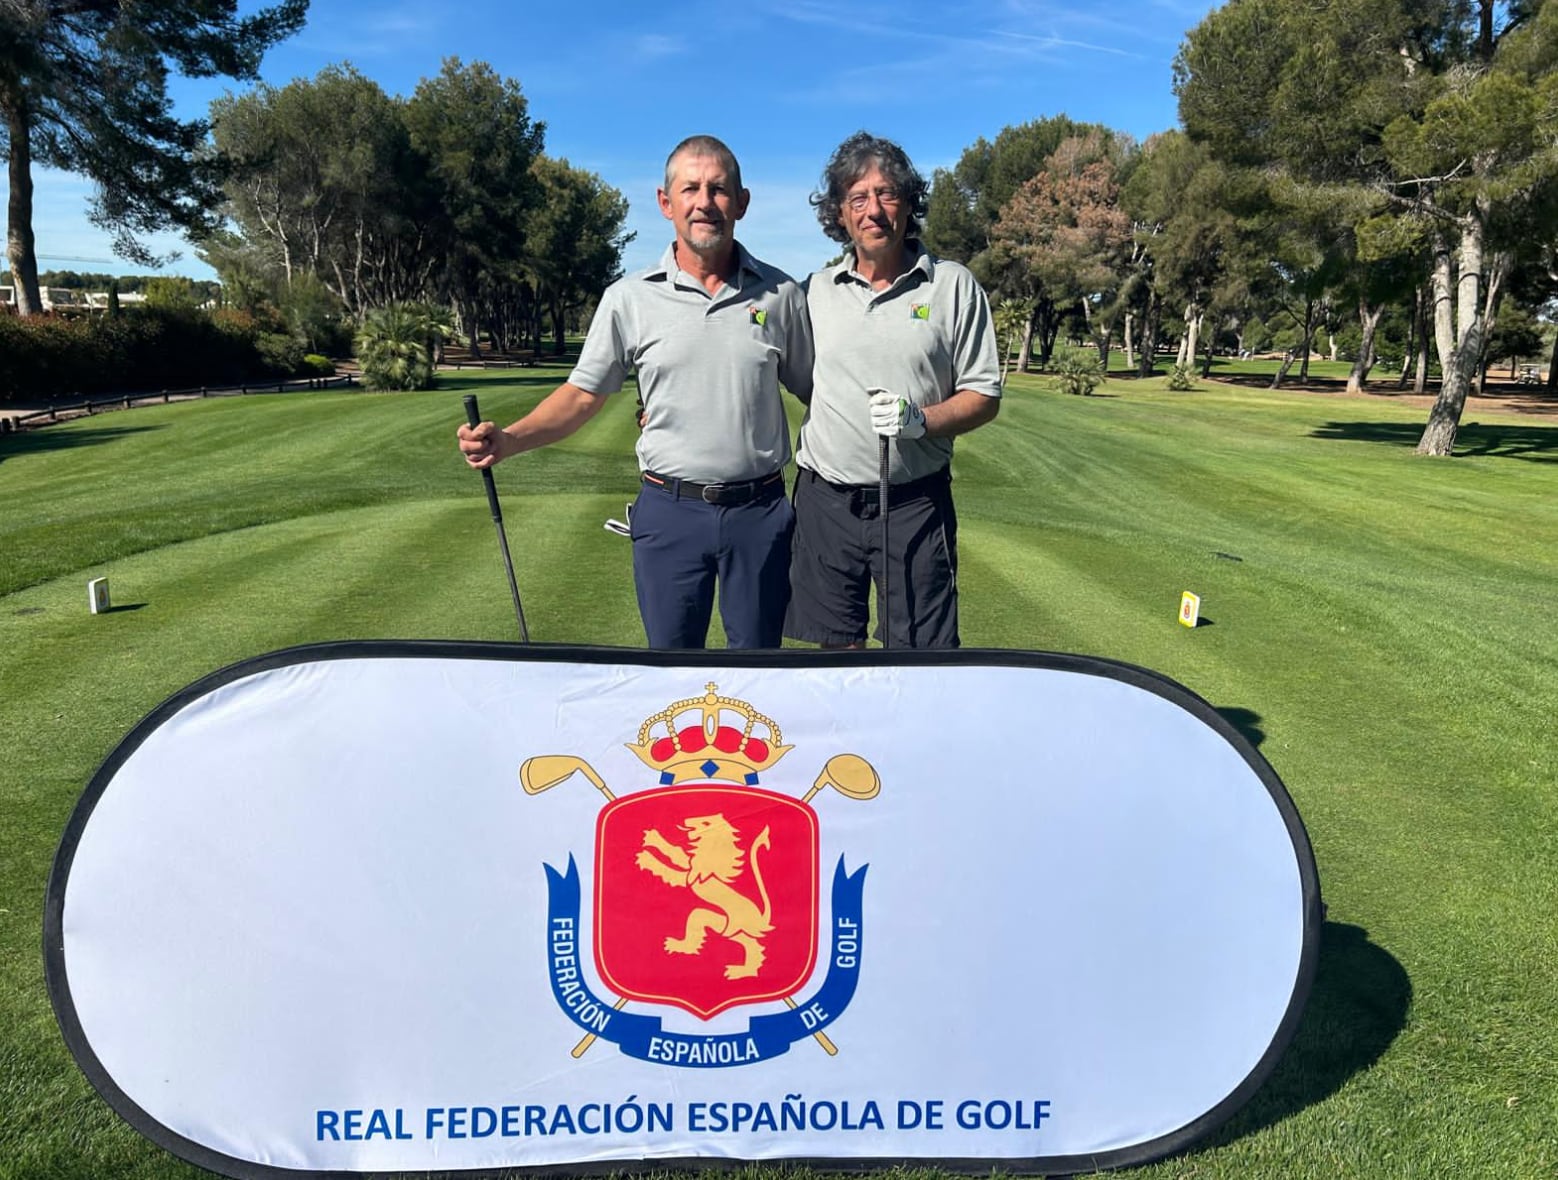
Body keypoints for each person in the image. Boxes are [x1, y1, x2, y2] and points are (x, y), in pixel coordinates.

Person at [458, 135, 813, 649]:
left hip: (760, 514)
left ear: (742, 202)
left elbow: (817, 392)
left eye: (717, 189)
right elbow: (582, 396)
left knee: (758, 679)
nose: (704, 202)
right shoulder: (629, 298)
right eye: (689, 189)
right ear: (666, 203)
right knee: (667, 678)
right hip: (670, 513)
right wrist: (508, 440)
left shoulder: (781, 295)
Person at [785, 131, 1001, 649]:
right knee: (837, 657)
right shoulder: (814, 291)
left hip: (913, 505)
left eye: (887, 195)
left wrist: (920, 421)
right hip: (826, 503)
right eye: (858, 198)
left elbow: (984, 395)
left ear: (907, 205)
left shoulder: (951, 286)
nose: (873, 210)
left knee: (921, 661)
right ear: (839, 213)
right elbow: (760, 361)